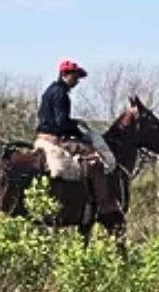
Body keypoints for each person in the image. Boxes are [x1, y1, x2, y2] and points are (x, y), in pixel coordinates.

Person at [33, 60, 117, 216]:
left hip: (42, 136)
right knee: (96, 156)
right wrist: (79, 132)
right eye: (75, 77)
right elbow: (62, 122)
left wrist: (74, 123)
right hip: (55, 138)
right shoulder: (61, 94)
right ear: (64, 75)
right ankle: (101, 202)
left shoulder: (50, 91)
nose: (77, 81)